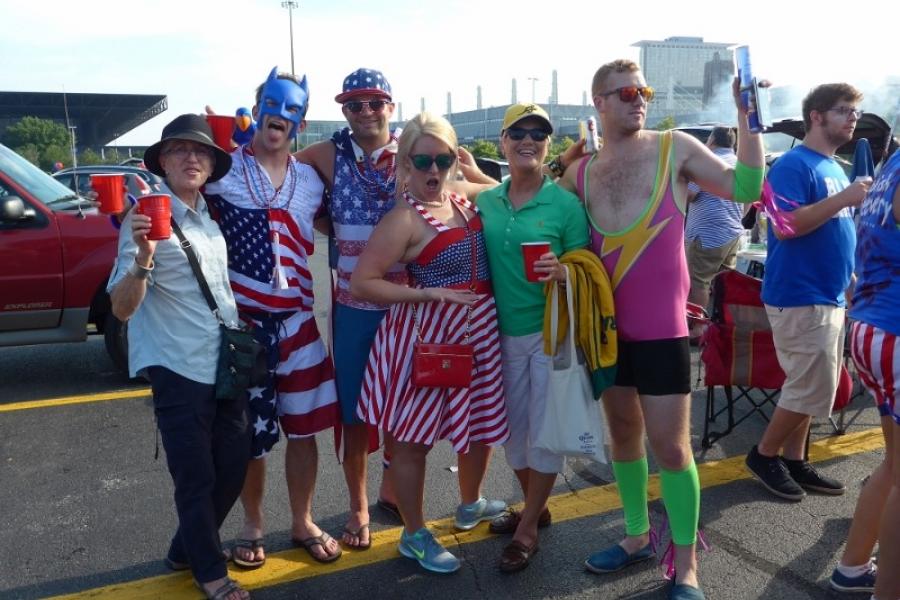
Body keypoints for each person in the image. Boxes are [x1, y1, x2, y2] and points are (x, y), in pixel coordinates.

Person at [559, 59, 765, 600]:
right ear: (598, 101)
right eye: (625, 92)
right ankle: (634, 536)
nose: (638, 98)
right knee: (623, 438)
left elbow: (746, 184)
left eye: (643, 90)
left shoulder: (675, 148)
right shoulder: (580, 173)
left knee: (672, 450)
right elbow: (548, 223)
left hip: (664, 332)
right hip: (605, 333)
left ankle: (687, 563)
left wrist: (748, 118)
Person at [296, 70, 505, 549]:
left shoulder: (418, 153)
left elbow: (494, 194)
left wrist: (469, 171)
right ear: (343, 109)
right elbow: (280, 168)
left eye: (375, 102)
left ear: (391, 106)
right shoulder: (328, 153)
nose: (365, 111)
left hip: (418, 312)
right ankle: (359, 507)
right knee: (357, 413)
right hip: (359, 306)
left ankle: (394, 491)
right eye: (354, 104)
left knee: (415, 415)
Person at [350, 112, 509, 574]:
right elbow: (363, 282)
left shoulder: (461, 198)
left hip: (478, 330)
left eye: (442, 159)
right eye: (423, 161)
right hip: (428, 336)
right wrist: (428, 292)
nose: (433, 170)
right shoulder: (404, 218)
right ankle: (414, 534)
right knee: (413, 440)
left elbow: (508, 190)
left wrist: (474, 173)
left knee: (480, 426)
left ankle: (470, 503)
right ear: (406, 164)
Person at [108, 114, 251, 600]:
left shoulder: (208, 218)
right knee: (195, 477)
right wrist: (145, 255)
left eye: (201, 152)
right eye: (180, 150)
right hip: (177, 367)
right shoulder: (144, 218)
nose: (192, 158)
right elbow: (122, 307)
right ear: (163, 161)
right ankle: (210, 573)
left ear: (211, 164)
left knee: (234, 463)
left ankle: (184, 548)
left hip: (222, 364)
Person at [204, 68, 341, 567]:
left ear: (300, 122)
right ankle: (253, 523)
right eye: (273, 104)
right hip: (246, 331)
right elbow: (181, 206)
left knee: (304, 431)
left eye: (292, 110)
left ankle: (303, 520)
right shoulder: (222, 172)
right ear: (257, 106)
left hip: (300, 326)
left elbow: (345, 222)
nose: (280, 116)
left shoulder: (310, 180)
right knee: (251, 437)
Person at [476, 103, 589, 572]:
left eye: (538, 134)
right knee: (512, 436)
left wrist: (564, 271)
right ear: (502, 142)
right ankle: (536, 504)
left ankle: (527, 530)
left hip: (550, 336)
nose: (528, 140)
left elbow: (589, 270)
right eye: (518, 132)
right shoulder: (487, 200)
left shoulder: (566, 205)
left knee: (542, 437)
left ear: (549, 146)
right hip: (497, 337)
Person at [744, 84, 871, 504]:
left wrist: (850, 284)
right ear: (816, 116)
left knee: (810, 385)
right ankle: (764, 455)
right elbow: (785, 225)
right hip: (800, 294)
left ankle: (795, 459)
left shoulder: (833, 166)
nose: (853, 117)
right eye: (844, 110)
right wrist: (845, 199)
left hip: (828, 293)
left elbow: (840, 237)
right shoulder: (795, 165)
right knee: (809, 386)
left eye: (855, 110)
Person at [829, 147, 900, 598]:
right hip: (893, 330)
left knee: (894, 467)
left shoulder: (892, 162)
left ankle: (853, 567)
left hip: (873, 327)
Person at [684, 126, 746, 338]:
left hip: (706, 232)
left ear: (712, 140)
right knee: (723, 282)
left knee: (699, 282)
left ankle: (697, 329)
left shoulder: (707, 162)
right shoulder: (739, 163)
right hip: (732, 232)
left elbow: (688, 196)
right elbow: (748, 199)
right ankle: (722, 326)